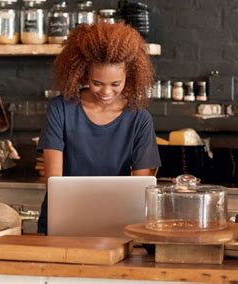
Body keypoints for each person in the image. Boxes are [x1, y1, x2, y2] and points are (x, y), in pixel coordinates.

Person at [37, 22, 161, 235]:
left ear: (129, 77)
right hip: (60, 223)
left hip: (117, 225)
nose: (106, 91)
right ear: (83, 75)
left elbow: (141, 191)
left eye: (115, 84)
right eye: (97, 83)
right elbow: (53, 181)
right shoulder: (61, 109)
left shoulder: (140, 119)